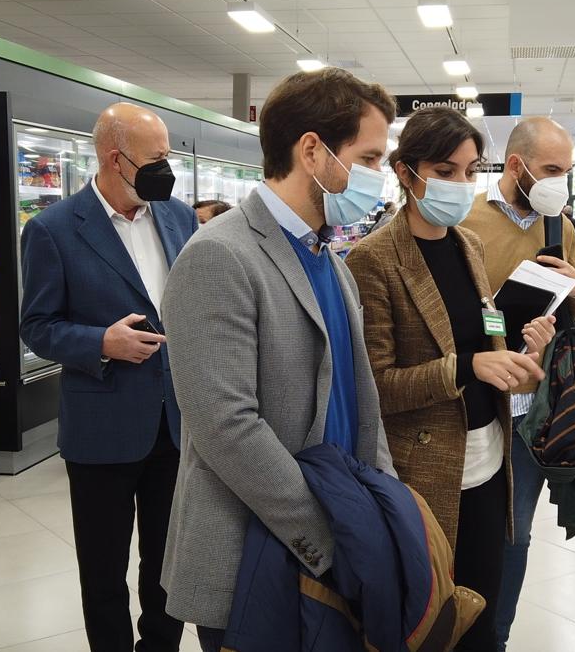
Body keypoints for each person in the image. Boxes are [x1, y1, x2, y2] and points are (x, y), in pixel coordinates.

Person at [160, 67, 398, 652]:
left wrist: (385, 510)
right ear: (312, 150)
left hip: (338, 535)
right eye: (368, 159)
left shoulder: (331, 260)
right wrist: (326, 535)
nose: (379, 177)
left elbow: (358, 394)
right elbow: (225, 426)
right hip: (256, 554)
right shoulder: (220, 254)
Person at [345, 107, 553, 652]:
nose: (460, 185)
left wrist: (516, 356)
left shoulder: (469, 246)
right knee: (431, 619)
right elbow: (380, 386)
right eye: (444, 171)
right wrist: (467, 367)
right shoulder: (373, 261)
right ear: (406, 172)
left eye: (469, 171)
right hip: (425, 472)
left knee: (481, 610)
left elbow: (484, 331)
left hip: (489, 460)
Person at [19, 103, 197, 652]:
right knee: (103, 570)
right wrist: (100, 342)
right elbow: (37, 326)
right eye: (157, 157)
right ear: (114, 158)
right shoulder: (52, 229)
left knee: (169, 565)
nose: (166, 168)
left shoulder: (177, 217)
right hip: (102, 426)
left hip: (175, 422)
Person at [458, 117, 575, 651]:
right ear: (517, 166)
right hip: (473, 400)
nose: (560, 182)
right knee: (466, 526)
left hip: (531, 405)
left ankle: (496, 637)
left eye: (568, 171)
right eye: (552, 170)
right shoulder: (464, 218)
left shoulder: (560, 226)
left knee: (514, 533)